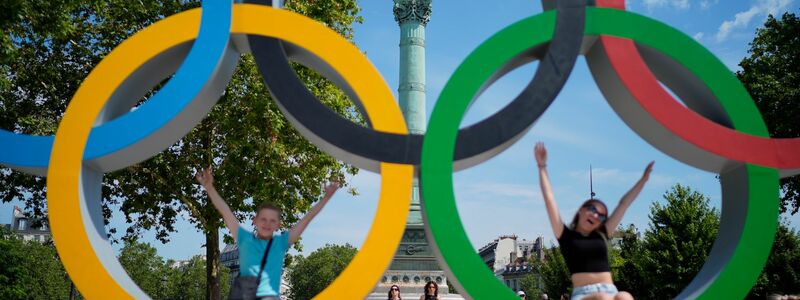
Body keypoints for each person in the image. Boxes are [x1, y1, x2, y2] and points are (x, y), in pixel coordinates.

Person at [195, 166, 339, 300]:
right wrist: (209, 187)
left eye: (272, 220)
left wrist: (326, 198)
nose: (267, 223)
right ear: (254, 221)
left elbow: (307, 219)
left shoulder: (281, 243)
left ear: (278, 225)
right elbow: (225, 211)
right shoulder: (244, 238)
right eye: (263, 219)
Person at [534, 142, 652, 300]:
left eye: (602, 216)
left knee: (624, 296)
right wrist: (542, 167)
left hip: (610, 291)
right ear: (581, 210)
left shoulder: (602, 234)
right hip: (584, 295)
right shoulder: (566, 235)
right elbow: (550, 201)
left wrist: (643, 180)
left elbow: (623, 204)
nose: (596, 216)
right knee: (602, 298)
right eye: (593, 210)